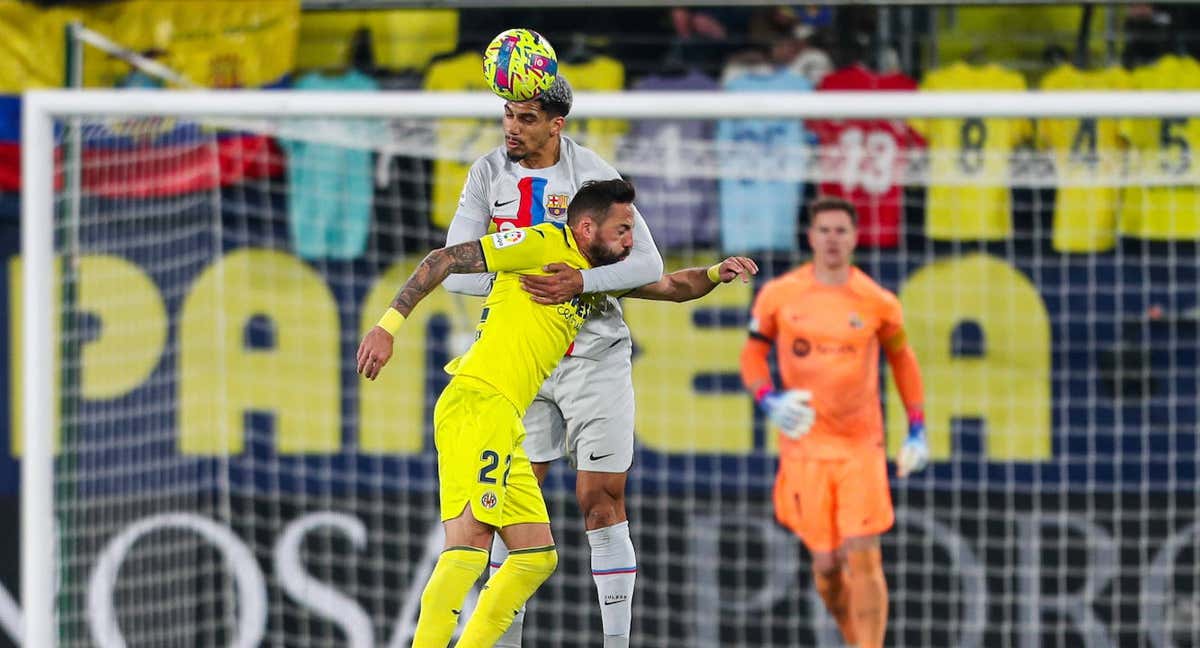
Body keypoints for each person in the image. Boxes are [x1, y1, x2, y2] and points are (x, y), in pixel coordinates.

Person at [360, 178, 755, 647]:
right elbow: (443, 259)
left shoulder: (596, 278)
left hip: (507, 419)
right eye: (623, 230)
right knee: (467, 549)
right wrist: (387, 327)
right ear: (586, 228)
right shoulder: (539, 243)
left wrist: (714, 274)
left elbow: (672, 285)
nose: (632, 241)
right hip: (478, 403)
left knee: (535, 556)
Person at [442, 75, 660, 648]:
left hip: (593, 356)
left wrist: (580, 280)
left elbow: (648, 266)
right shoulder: (486, 174)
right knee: (505, 511)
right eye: (507, 116)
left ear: (555, 123)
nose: (511, 128)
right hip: (524, 364)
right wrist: (526, 272)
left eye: (525, 118)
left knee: (601, 500)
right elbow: (454, 272)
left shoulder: (591, 172)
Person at [738, 196, 929, 648]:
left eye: (841, 231)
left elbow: (903, 361)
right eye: (824, 230)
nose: (832, 239)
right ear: (811, 236)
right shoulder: (779, 295)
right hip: (804, 449)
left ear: (855, 237)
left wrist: (917, 428)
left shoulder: (877, 302)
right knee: (826, 568)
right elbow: (752, 355)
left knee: (864, 553)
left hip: (861, 447)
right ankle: (852, 638)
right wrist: (768, 399)